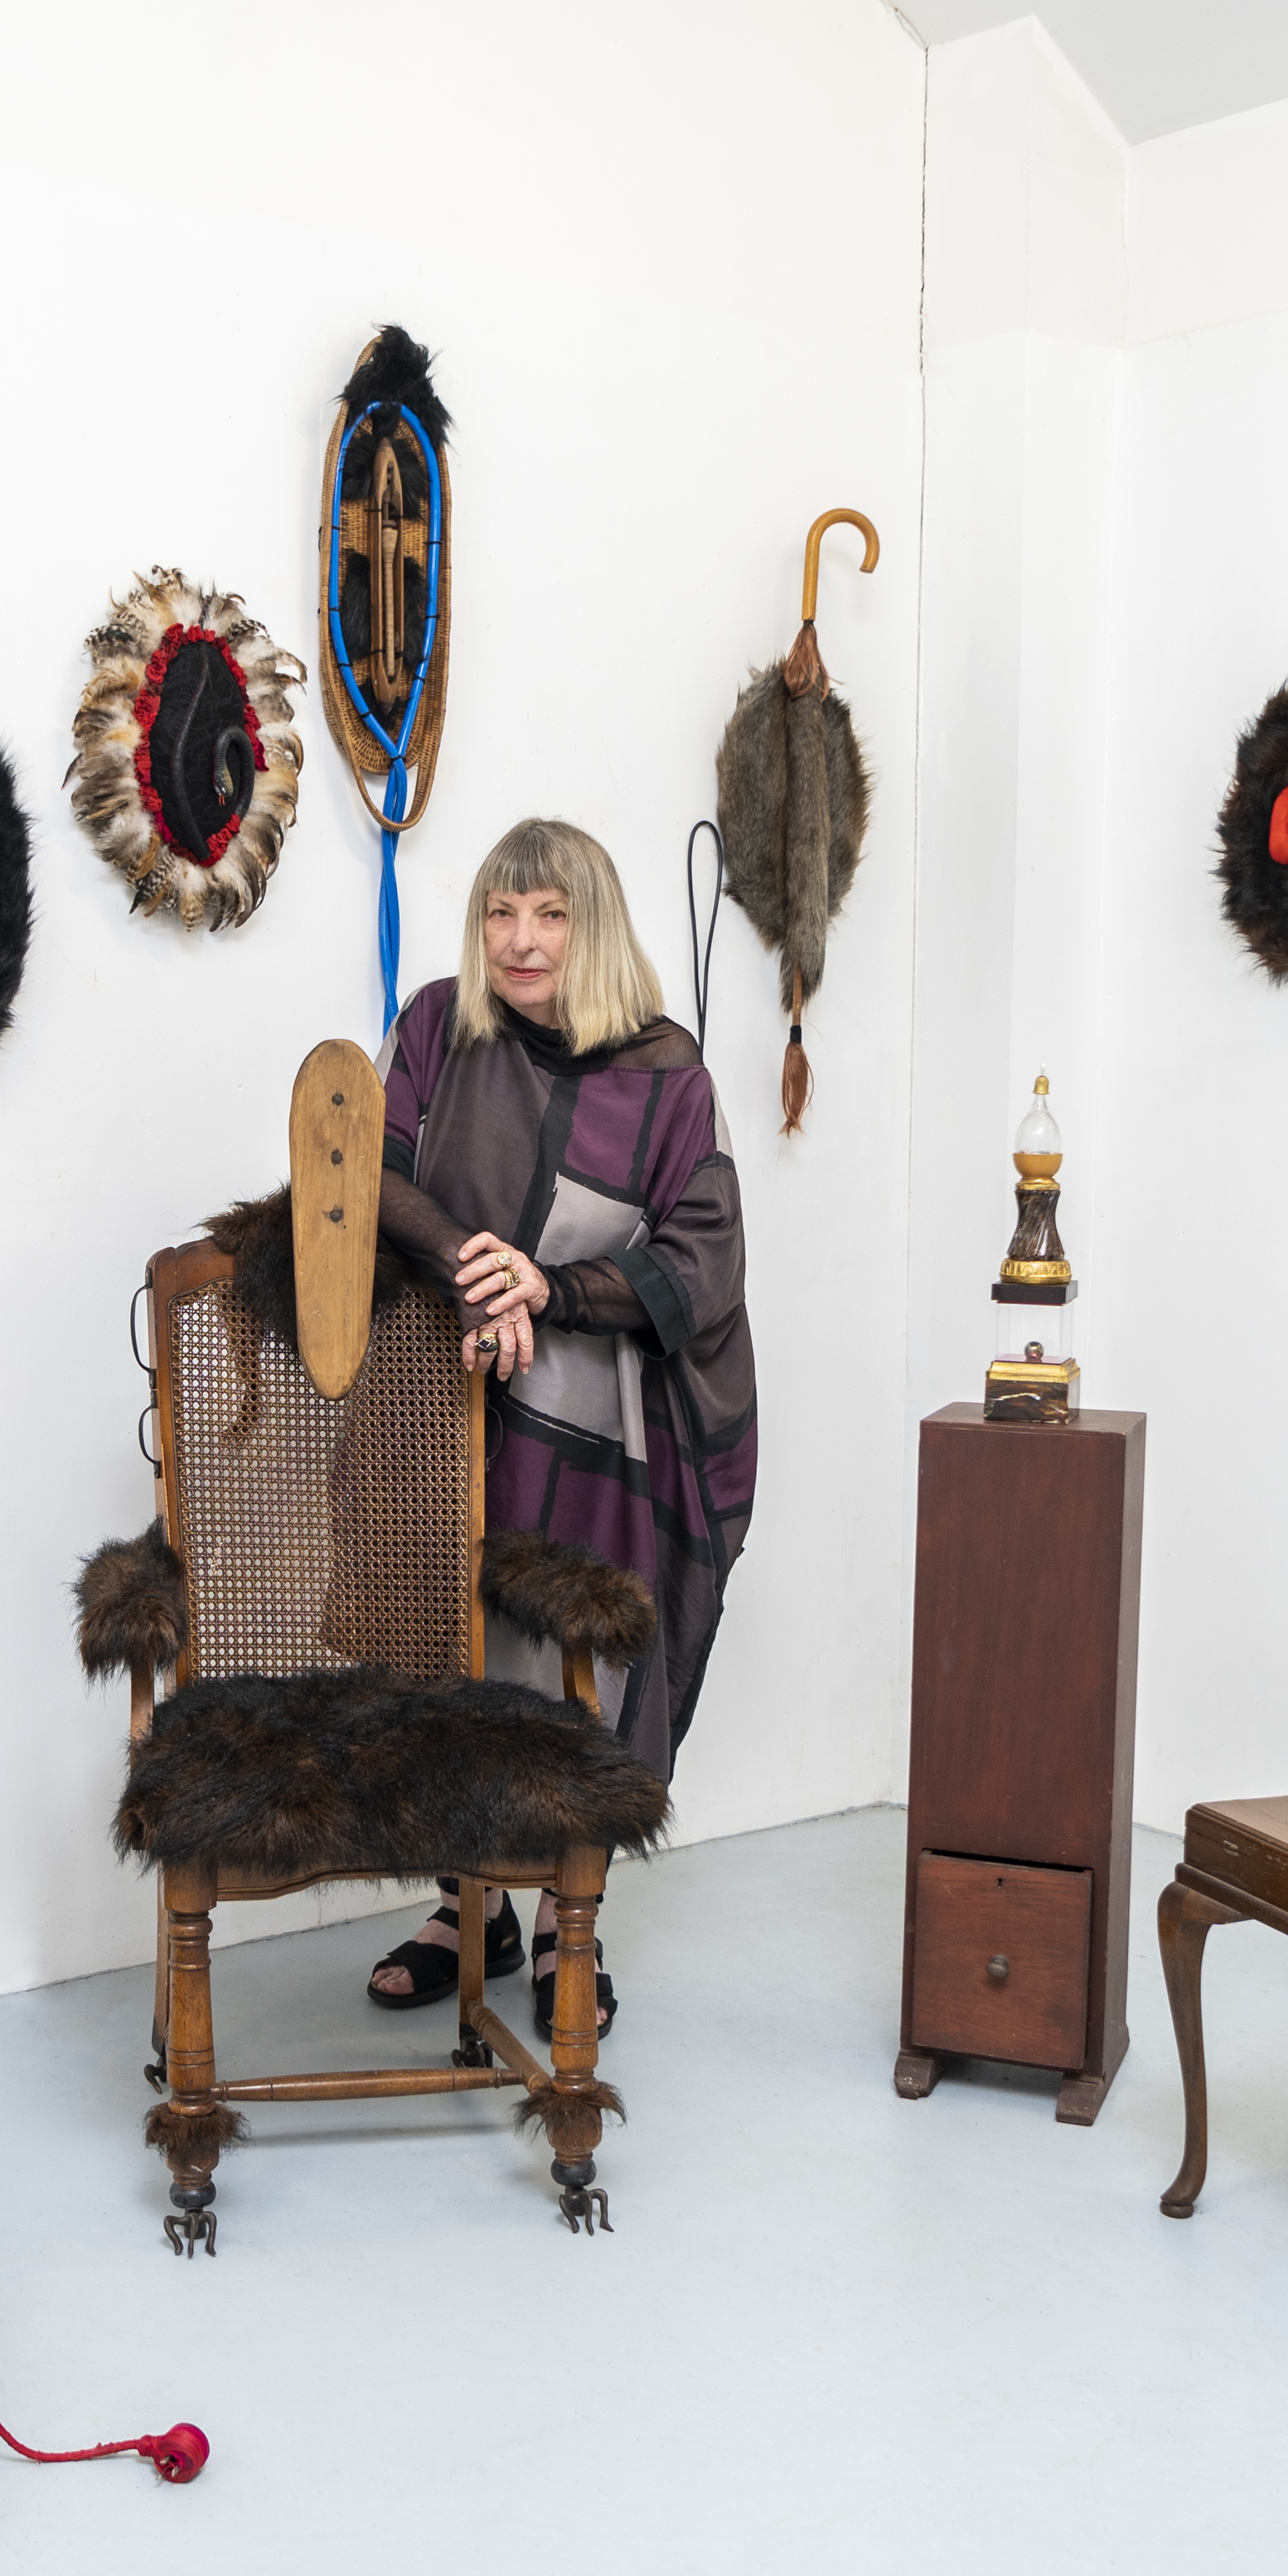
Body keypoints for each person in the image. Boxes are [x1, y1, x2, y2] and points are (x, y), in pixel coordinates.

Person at [361, 819, 754, 2035]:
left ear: (594, 926)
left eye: (549, 913)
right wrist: (483, 1273)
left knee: (572, 1664)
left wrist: (556, 1289)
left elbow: (705, 1255)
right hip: (444, 1393)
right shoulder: (437, 1026)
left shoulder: (667, 1070)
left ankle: (557, 1922)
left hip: (605, 1420)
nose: (520, 939)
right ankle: (462, 1905)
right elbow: (367, 1173)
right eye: (498, 912)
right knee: (446, 1648)